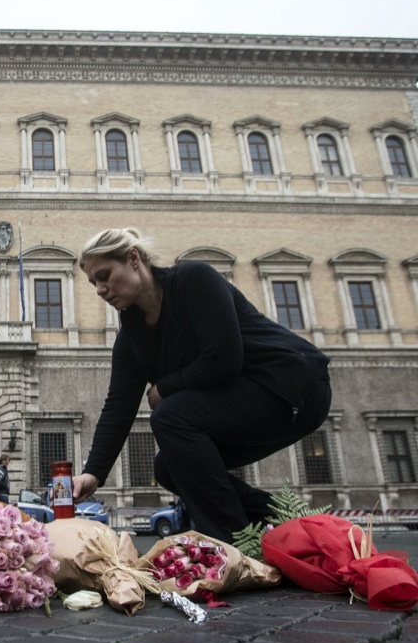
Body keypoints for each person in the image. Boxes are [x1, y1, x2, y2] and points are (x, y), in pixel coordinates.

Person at [73, 228, 331, 543]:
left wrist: (164, 387)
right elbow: (118, 406)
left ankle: (231, 543)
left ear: (134, 258)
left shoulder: (193, 280)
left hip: (293, 386)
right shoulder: (131, 339)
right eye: (94, 283)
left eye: (104, 276)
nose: (100, 289)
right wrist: (94, 473)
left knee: (170, 416)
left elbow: (224, 358)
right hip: (253, 399)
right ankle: (287, 520)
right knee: (169, 466)